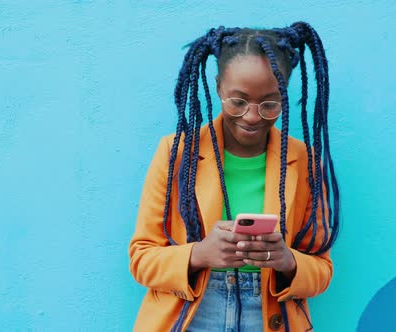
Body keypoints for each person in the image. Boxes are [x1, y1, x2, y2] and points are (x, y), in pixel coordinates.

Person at [129, 22, 340, 332]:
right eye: (238, 101)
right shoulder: (175, 154)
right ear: (218, 88)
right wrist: (199, 254)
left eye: (270, 104)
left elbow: (321, 269)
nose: (252, 116)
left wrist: (287, 261)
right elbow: (141, 258)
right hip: (190, 311)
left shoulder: (305, 162)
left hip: (270, 312)